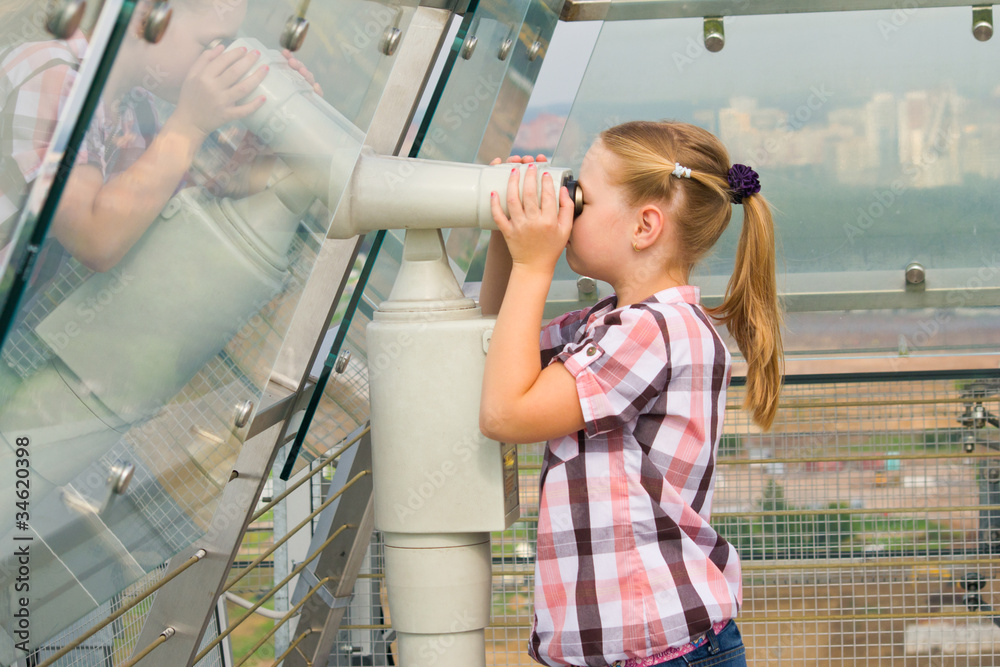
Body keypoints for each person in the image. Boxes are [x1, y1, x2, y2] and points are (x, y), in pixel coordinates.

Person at [479, 120, 783, 667]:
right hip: (636, 651)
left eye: (582, 200)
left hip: (662, 653)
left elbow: (507, 412)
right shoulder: (609, 325)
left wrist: (532, 262)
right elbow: (494, 348)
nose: (567, 212)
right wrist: (508, 239)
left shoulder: (654, 332)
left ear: (645, 226)